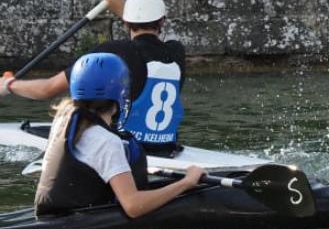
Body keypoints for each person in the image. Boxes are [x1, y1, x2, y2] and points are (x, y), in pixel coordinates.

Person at [1, 0, 185, 155]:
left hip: (123, 148)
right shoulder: (177, 52)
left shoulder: (112, 51)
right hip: (165, 148)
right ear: (162, 21)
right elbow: (146, 49)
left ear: (126, 22)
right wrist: (124, 10)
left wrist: (10, 84)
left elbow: (47, 89)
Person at [35, 52, 203, 218]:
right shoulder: (106, 141)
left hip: (55, 212)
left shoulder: (63, 120)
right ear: (121, 95)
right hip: (82, 223)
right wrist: (186, 183)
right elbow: (133, 206)